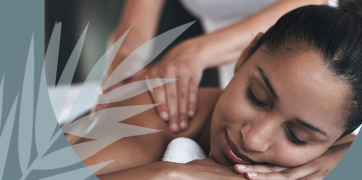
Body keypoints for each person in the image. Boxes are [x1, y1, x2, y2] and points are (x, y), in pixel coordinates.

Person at [72, 2, 362, 179]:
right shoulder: (151, 123)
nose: (253, 139)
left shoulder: (335, 143)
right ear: (244, 56)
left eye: (296, 137)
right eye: (256, 98)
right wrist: (171, 175)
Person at [105, 0, 334, 134]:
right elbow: (134, 29)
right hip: (221, 54)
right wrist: (123, 65)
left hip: (311, 49)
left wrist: (195, 51)